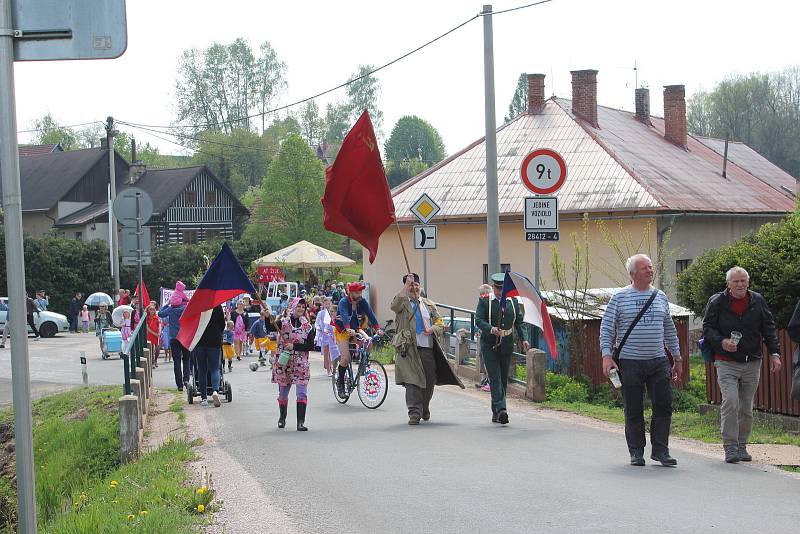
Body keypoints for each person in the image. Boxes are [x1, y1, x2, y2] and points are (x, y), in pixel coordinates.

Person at [600, 254, 683, 467]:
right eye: (644, 268)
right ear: (632, 274)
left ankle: (661, 451)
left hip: (657, 361)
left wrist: (677, 357)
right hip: (630, 362)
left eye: (650, 267)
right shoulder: (619, 298)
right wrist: (606, 356)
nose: (649, 270)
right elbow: (607, 328)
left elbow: (669, 329)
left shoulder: (660, 296)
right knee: (634, 408)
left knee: (663, 405)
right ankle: (636, 451)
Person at [702, 266, 782, 463]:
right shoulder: (717, 301)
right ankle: (730, 447)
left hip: (751, 360)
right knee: (731, 400)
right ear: (728, 284)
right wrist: (722, 342)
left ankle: (742, 445)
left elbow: (769, 327)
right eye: (735, 281)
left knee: (746, 406)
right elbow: (707, 328)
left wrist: (774, 353)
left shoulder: (757, 300)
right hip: (725, 362)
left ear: (748, 282)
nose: (740, 284)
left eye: (743, 281)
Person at [392, 273, 464, 425]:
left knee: (428, 381)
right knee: (412, 382)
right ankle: (414, 412)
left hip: (427, 348)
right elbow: (393, 306)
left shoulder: (428, 304)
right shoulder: (402, 303)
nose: (414, 287)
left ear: (420, 286)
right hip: (409, 348)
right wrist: (406, 287)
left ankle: (424, 407)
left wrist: (433, 329)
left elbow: (440, 321)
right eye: (411, 285)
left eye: (416, 284)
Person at [475, 274, 529, 425]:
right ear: (493, 287)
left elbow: (519, 321)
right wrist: (491, 329)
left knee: (503, 378)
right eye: (498, 289)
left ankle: (496, 412)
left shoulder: (513, 301)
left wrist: (524, 338)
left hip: (506, 343)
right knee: (495, 377)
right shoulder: (485, 300)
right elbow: (478, 320)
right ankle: (502, 409)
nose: (500, 292)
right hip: (490, 344)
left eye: (503, 289)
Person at [272, 297, 316, 431]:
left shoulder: (308, 327)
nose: (301, 309)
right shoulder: (283, 322)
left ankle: (300, 423)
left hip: (300, 363)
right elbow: (270, 326)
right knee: (283, 393)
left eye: (303, 307)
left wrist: (294, 346)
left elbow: (310, 346)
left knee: (302, 392)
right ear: (293, 306)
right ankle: (282, 417)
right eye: (299, 306)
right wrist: (268, 316)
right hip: (284, 363)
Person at [334, 282, 382, 397]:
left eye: (360, 291)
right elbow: (344, 315)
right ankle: (340, 384)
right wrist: (347, 328)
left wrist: (377, 329)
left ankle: (363, 365)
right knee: (345, 359)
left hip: (356, 329)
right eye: (357, 292)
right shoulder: (343, 302)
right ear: (350, 293)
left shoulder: (362, 302)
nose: (359, 294)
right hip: (342, 330)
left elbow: (370, 314)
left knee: (368, 342)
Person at [159, 282, 191, 391]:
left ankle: (179, 385)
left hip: (174, 338)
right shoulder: (185, 309)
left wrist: (167, 304)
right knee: (186, 359)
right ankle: (186, 380)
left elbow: (160, 314)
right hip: (185, 337)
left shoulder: (170, 309)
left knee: (176, 361)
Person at [194, 305, 225, 407]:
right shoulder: (217, 306)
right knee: (215, 369)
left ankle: (203, 398)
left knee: (202, 370)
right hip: (214, 340)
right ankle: (215, 390)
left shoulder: (198, 305)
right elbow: (222, 324)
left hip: (200, 340)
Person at [314, 296, 339, 376]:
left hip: (334, 335)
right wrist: (318, 330)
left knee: (334, 352)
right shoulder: (321, 313)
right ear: (323, 304)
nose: (328, 305)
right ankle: (329, 370)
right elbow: (317, 323)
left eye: (329, 303)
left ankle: (334, 367)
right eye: (326, 304)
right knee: (326, 353)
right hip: (325, 335)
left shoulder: (334, 312)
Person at [145, 303, 161, 368]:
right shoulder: (146, 318)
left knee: (158, 349)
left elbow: (159, 325)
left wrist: (159, 332)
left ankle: (156, 360)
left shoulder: (157, 317)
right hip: (150, 335)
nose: (152, 311)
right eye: (151, 309)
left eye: (153, 309)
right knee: (151, 349)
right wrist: (155, 334)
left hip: (157, 335)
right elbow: (147, 328)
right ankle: (152, 362)